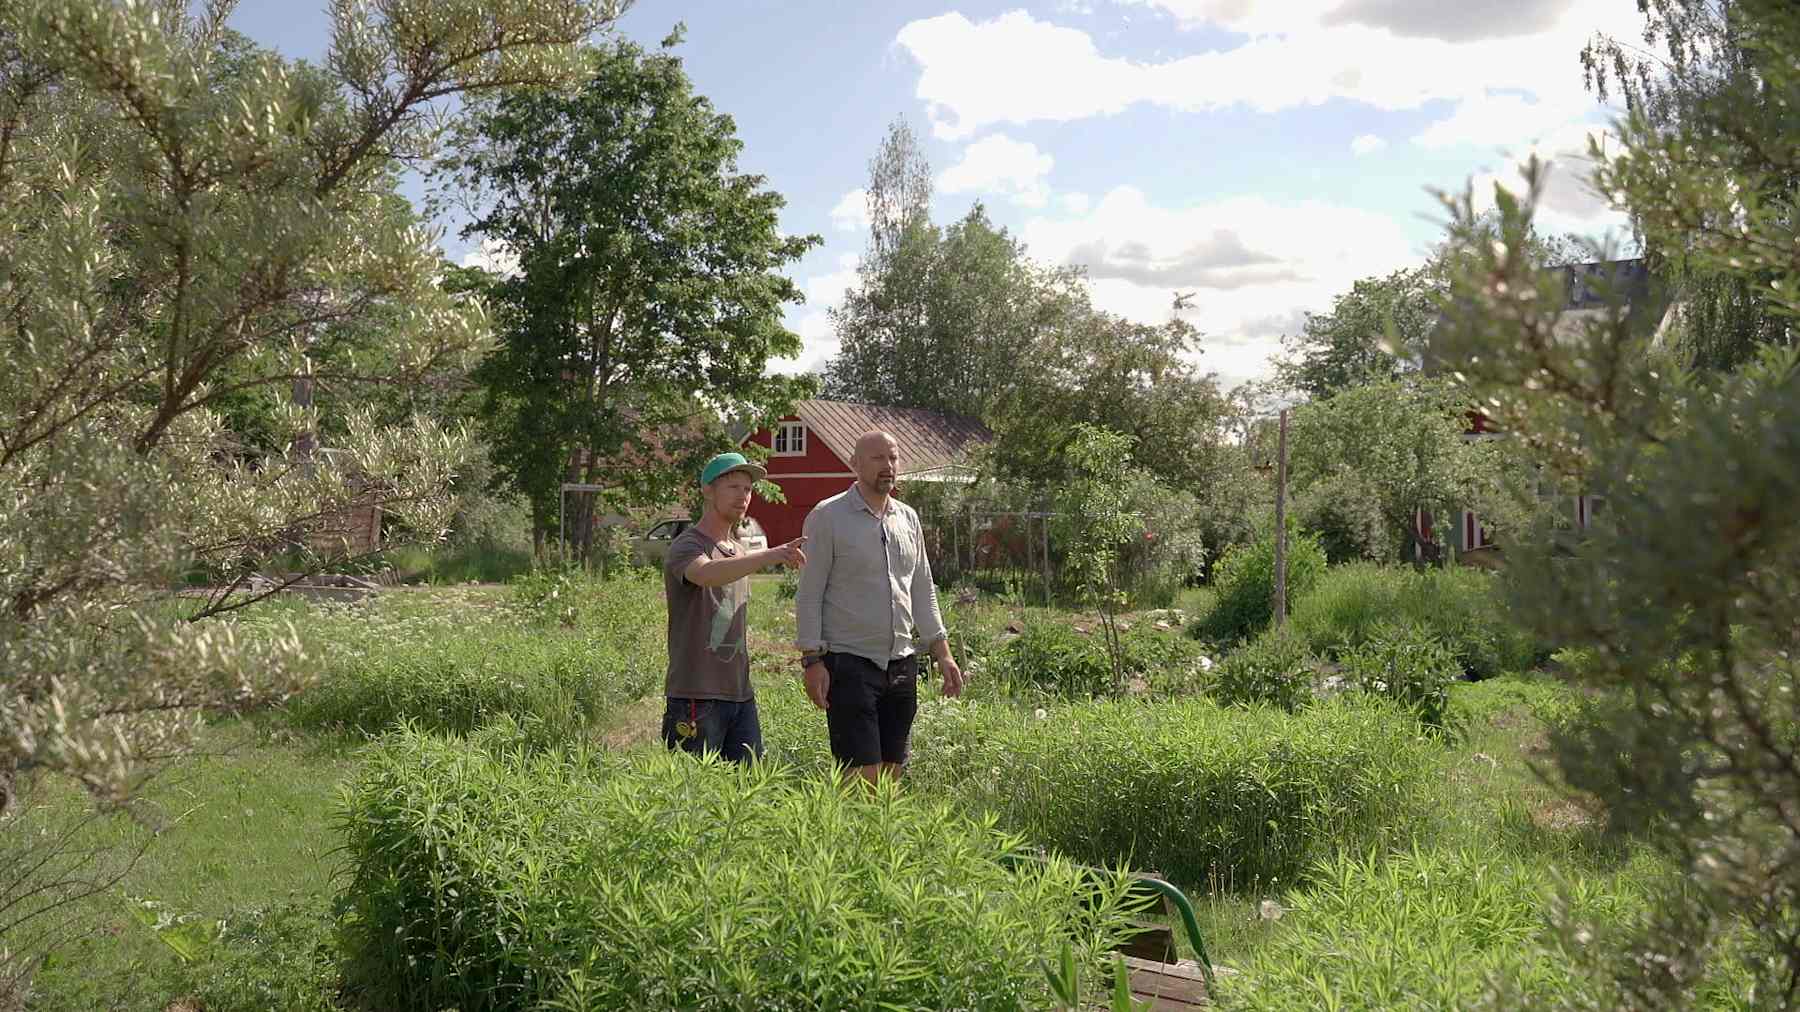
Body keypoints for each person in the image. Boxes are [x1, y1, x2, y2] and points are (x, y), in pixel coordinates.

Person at [794, 430, 964, 785]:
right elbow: (809, 593)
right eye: (877, 458)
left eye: (893, 457)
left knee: (891, 779)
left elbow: (922, 588)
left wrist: (943, 653)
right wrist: (812, 660)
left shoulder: (907, 518)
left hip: (901, 665)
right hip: (849, 663)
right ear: (854, 464)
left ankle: (882, 841)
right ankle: (851, 840)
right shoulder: (828, 517)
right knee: (861, 780)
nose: (888, 466)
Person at [662, 451, 807, 764]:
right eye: (733, 487)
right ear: (708, 490)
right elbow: (704, 574)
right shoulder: (688, 545)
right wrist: (770, 555)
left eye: (748, 489)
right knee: (691, 798)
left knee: (746, 793)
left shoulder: (739, 550)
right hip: (696, 696)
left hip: (741, 695)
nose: (743, 495)